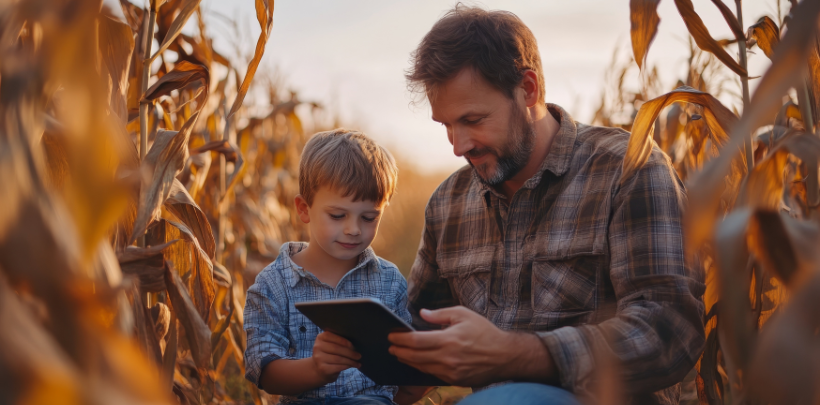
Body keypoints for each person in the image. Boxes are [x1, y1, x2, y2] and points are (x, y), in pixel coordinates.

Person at [387, 5, 706, 405]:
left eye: (473, 119)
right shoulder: (448, 204)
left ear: (529, 89)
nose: (458, 146)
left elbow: (670, 329)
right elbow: (420, 332)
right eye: (446, 125)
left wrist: (515, 354)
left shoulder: (628, 171)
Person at [244, 129, 411, 405]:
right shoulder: (274, 284)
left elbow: (402, 365)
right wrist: (316, 369)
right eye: (337, 215)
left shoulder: (389, 281)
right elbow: (263, 371)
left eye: (369, 217)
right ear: (304, 209)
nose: (353, 229)